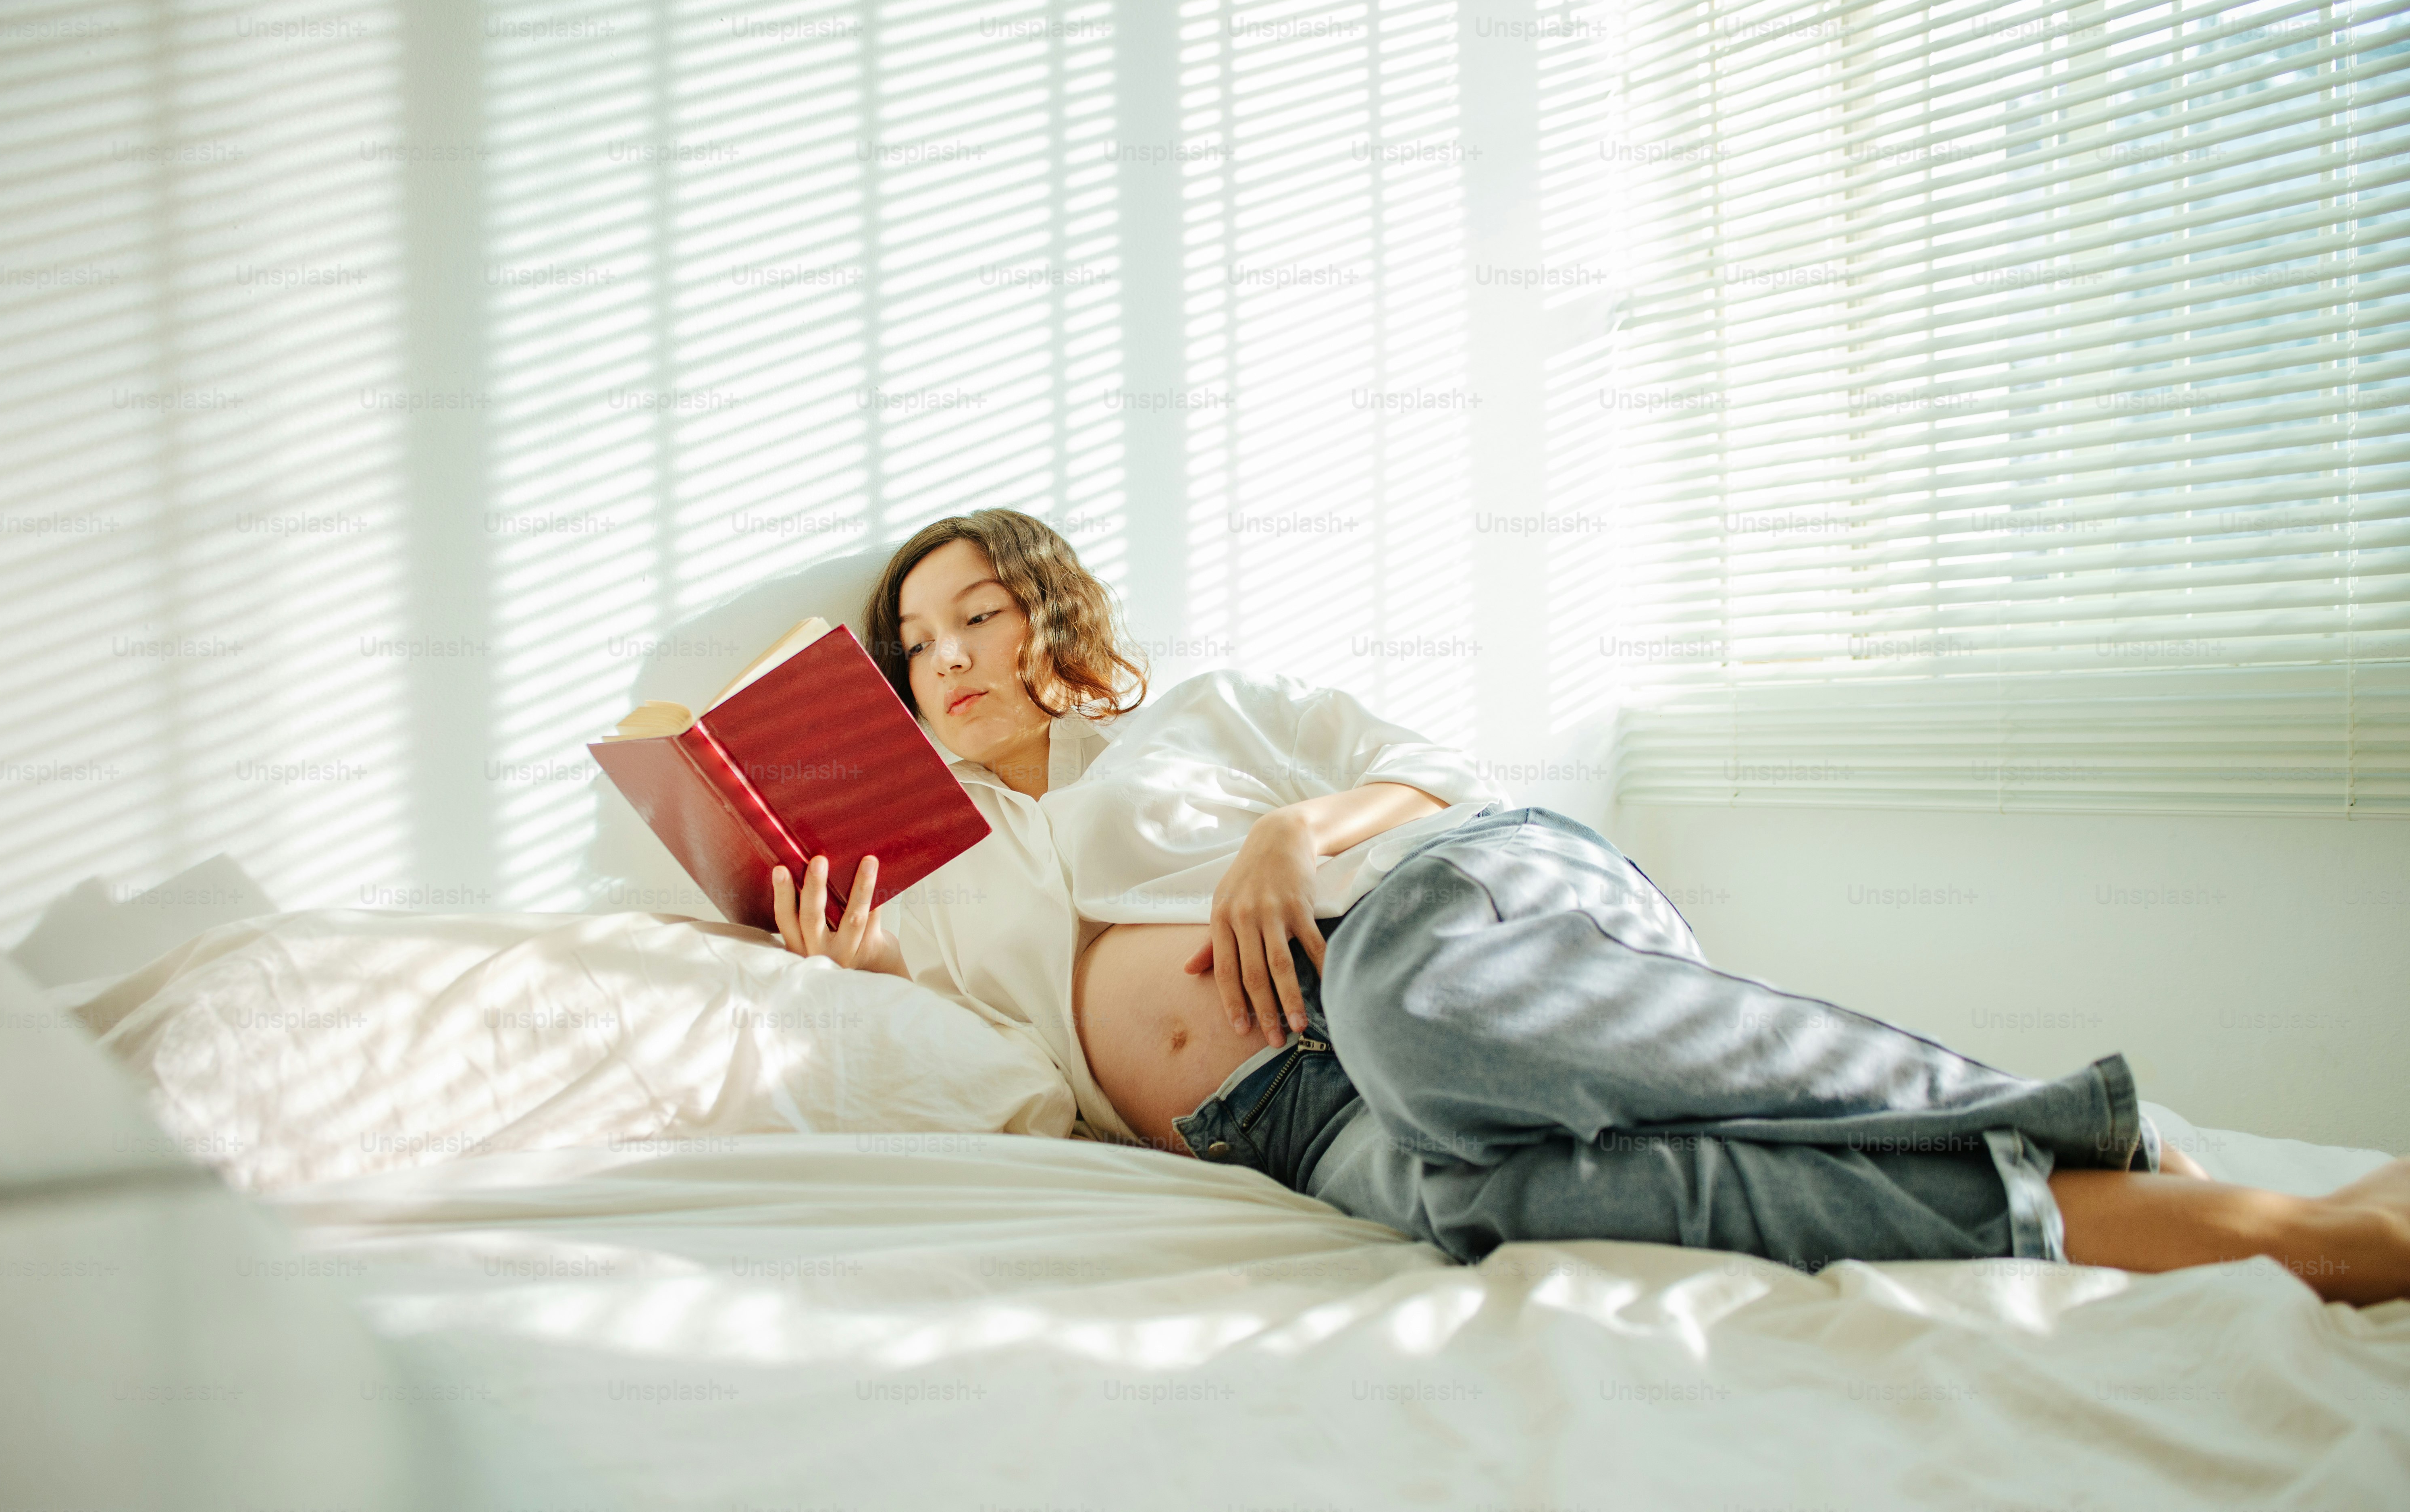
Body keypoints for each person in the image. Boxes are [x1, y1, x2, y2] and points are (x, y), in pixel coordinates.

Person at [767, 509, 2410, 1306]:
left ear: (1061, 621)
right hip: (1283, 1117)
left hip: (1429, 919)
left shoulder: (1203, 707)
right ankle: (2238, 1225)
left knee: (1425, 1033)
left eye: (978, 612)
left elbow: (1444, 768)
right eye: (919, 644)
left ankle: (2071, 1118)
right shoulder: (948, 873)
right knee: (1535, 1206)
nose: (952, 655)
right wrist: (855, 966)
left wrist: (1291, 830)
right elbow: (1009, 1075)